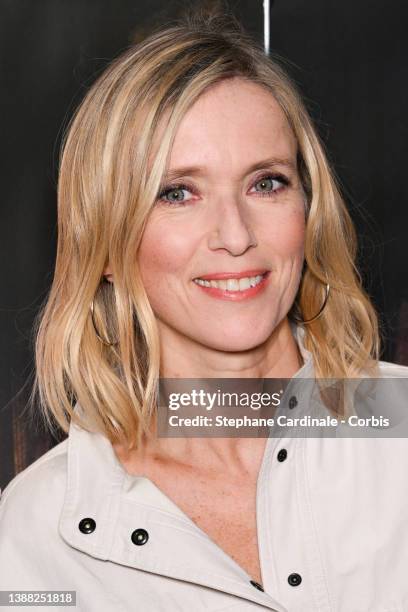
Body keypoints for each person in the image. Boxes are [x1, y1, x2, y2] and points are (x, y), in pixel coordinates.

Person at [1, 9, 408, 612]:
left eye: (265, 183)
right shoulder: (38, 534)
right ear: (106, 241)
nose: (236, 235)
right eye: (178, 192)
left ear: (308, 211)